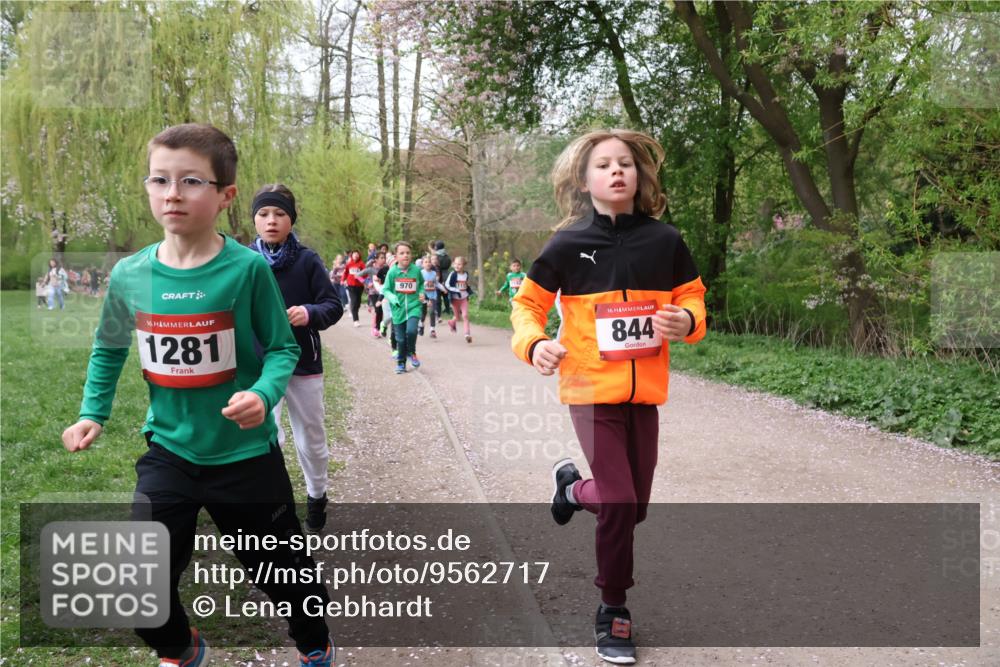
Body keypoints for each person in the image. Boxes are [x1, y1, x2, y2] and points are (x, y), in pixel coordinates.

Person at [60, 123, 335, 667]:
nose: (172, 193)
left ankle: (315, 646)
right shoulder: (130, 274)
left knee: (286, 580)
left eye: (190, 181)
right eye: (159, 179)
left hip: (246, 455)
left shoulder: (248, 268)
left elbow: (282, 347)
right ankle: (182, 650)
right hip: (170, 452)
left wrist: (262, 391)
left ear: (225, 195)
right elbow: (110, 347)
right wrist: (94, 411)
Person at [510, 129, 707, 665]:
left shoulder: (664, 241)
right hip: (590, 391)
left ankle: (573, 492)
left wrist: (686, 319)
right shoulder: (566, 245)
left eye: (625, 163)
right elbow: (527, 307)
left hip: (644, 394)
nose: (616, 171)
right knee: (619, 503)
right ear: (585, 179)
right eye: (604, 165)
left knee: (633, 508)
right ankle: (612, 609)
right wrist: (534, 344)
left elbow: (692, 298)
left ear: (639, 176)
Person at [249, 183, 343, 534]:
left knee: (310, 437)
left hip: (303, 363)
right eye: (263, 214)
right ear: (255, 220)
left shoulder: (307, 260)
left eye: (279, 214)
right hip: (259, 365)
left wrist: (308, 312)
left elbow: (334, 306)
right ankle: (274, 505)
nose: (271, 221)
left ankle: (317, 496)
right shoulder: (244, 261)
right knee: (266, 435)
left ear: (291, 219)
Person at [381, 241, 424, 374]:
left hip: (414, 307)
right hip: (398, 309)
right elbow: (386, 289)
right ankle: (401, 363)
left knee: (411, 331)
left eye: (408, 253)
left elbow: (421, 284)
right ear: (396, 256)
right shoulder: (392, 272)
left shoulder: (416, 270)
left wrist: (422, 293)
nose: (405, 255)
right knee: (400, 338)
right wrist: (393, 299)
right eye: (402, 253)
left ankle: (411, 352)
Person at [445, 256, 474, 343]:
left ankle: (467, 334)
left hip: (464, 298)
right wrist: (456, 290)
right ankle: (452, 322)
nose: (457, 266)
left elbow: (465, 284)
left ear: (463, 265)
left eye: (459, 264)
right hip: (454, 299)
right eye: (456, 264)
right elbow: (447, 285)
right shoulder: (453, 274)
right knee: (457, 317)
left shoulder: (466, 274)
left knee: (465, 316)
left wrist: (468, 289)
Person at [419, 255, 447, 338]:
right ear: (422, 264)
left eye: (429, 262)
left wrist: (443, 288)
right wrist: (425, 284)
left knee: (432, 312)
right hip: (423, 296)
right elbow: (418, 284)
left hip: (432, 296)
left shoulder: (434, 273)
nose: (428, 263)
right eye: (426, 262)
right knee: (423, 313)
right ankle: (421, 325)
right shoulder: (420, 273)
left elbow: (436, 283)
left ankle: (432, 330)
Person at [342, 249, 366, 326]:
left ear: (359, 255)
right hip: (351, 285)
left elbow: (366, 273)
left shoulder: (361, 264)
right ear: (352, 255)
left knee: (358, 302)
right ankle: (356, 320)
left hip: (359, 285)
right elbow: (345, 273)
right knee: (354, 300)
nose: (356, 255)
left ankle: (354, 309)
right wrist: (343, 280)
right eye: (354, 254)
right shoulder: (349, 264)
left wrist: (363, 278)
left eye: (357, 254)